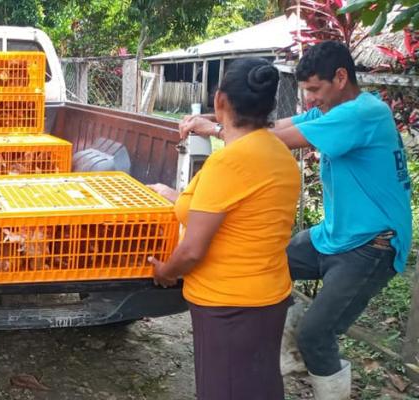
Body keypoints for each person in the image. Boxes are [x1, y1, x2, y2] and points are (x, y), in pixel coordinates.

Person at [181, 41, 413, 400]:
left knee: (316, 335)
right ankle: (279, 349)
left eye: (314, 90)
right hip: (332, 236)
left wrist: (213, 128)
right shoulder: (332, 110)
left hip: (372, 245)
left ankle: (307, 362)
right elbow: (265, 125)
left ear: (340, 78)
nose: (310, 99)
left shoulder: (364, 113)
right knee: (265, 267)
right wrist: (214, 119)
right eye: (305, 91)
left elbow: (265, 139)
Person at [149, 58, 301, 399]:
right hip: (269, 297)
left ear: (219, 101)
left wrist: (166, 271)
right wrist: (173, 197)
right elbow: (235, 211)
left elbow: (192, 251)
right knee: (259, 386)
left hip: (229, 306)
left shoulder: (229, 161)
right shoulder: (278, 152)